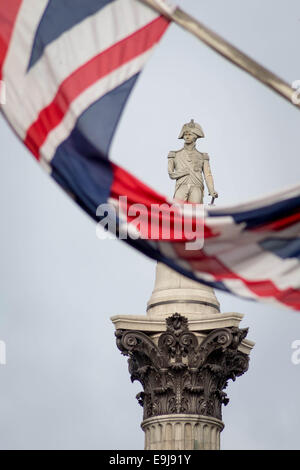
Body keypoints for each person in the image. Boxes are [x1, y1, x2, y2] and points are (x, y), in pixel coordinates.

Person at [168, 119, 218, 203]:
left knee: (195, 213)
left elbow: (207, 175)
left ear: (195, 137)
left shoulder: (203, 156)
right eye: (185, 134)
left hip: (197, 186)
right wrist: (184, 172)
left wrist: (211, 190)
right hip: (181, 186)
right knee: (177, 211)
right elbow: (171, 174)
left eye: (190, 134)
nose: (187, 137)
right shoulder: (174, 154)